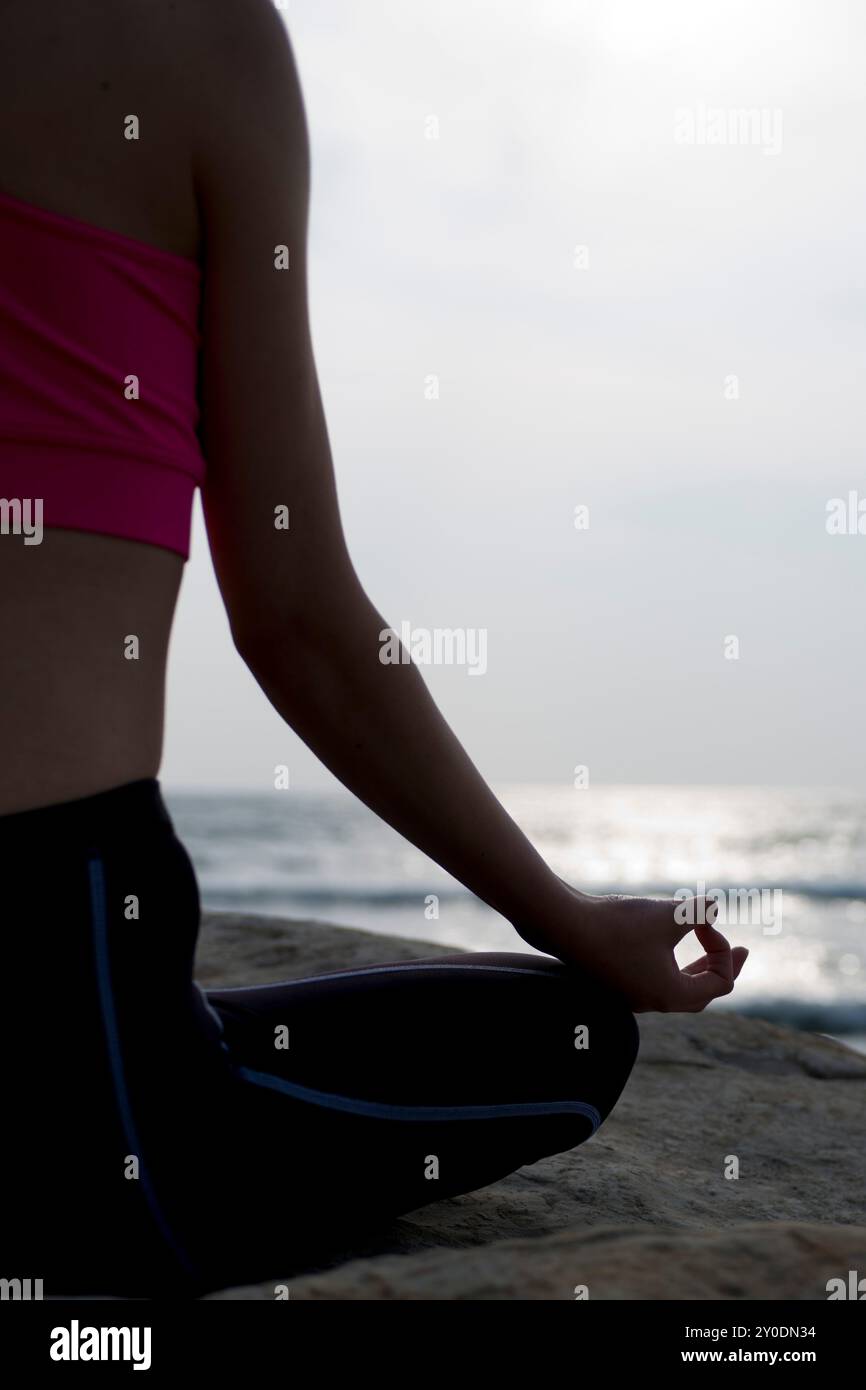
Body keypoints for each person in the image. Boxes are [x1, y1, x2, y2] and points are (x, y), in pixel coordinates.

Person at [0, 0, 747, 1297]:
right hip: (61, 1018)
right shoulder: (201, 41)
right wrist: (565, 916)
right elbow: (297, 617)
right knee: (561, 1035)